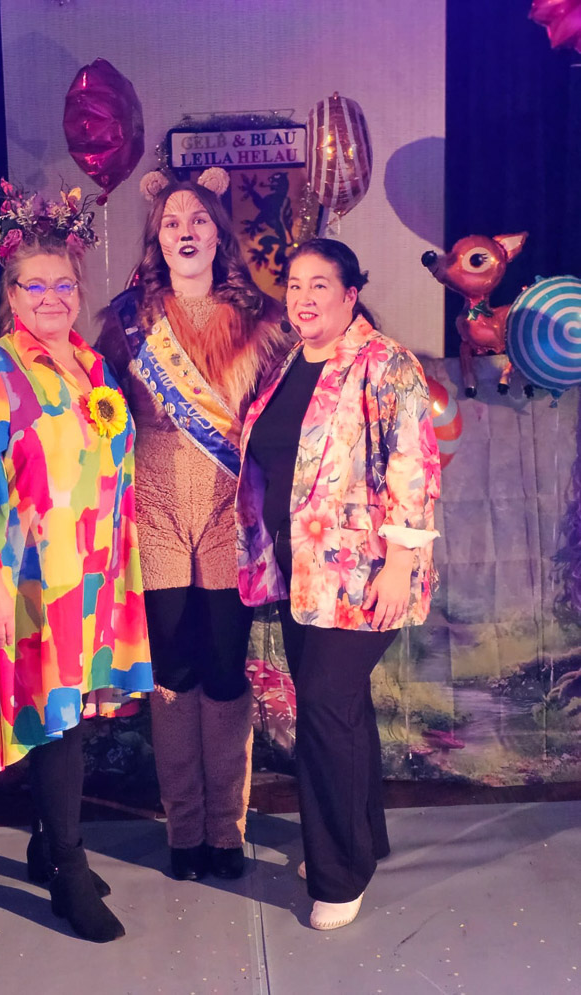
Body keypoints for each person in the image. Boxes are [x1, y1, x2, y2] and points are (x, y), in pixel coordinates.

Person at [0, 181, 152, 943]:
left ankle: (43, 842)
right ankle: (69, 867)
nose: (52, 297)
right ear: (11, 294)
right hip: (28, 576)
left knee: (73, 716)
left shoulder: (93, 365)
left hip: (92, 574)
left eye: (63, 283)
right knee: (55, 724)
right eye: (35, 285)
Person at [235, 238, 441, 930]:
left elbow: (414, 466)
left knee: (325, 707)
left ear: (351, 294)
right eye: (295, 284)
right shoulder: (289, 363)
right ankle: (364, 838)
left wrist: (401, 564)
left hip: (366, 574)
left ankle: (340, 872)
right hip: (304, 573)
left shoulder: (386, 363)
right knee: (340, 707)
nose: (304, 298)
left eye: (320, 284)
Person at [96, 167, 288, 881]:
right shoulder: (126, 323)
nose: (185, 231)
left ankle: (225, 831)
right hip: (154, 512)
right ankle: (183, 830)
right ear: (156, 237)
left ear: (218, 234)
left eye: (199, 219)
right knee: (174, 670)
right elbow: (96, 412)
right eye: (172, 221)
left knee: (224, 670)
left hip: (228, 515)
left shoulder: (263, 320)